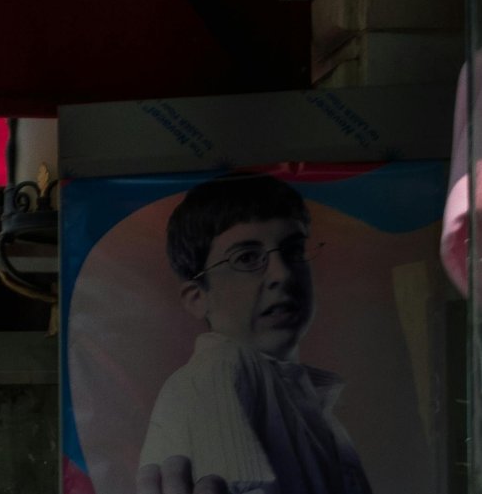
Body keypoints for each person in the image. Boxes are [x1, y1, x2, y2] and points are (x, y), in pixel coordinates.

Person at [136, 178, 370, 494]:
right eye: (246, 257)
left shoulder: (309, 396)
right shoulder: (222, 367)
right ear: (197, 297)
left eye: (294, 250)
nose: (282, 274)